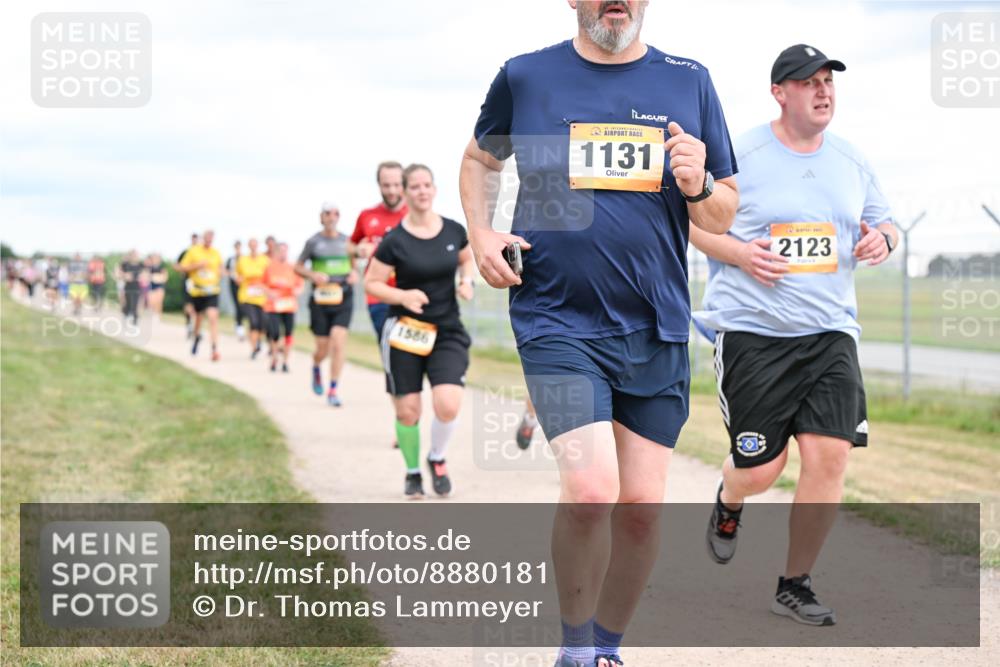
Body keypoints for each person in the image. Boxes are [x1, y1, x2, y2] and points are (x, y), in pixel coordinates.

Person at [459, 2, 738, 664]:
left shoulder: (689, 80)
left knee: (642, 505)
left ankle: (608, 647)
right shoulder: (526, 76)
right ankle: (575, 647)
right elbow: (479, 160)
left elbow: (724, 212)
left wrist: (699, 185)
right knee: (591, 490)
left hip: (657, 323)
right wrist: (481, 231)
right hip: (556, 315)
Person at [692, 44, 897, 628]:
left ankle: (795, 583)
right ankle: (730, 500)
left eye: (829, 80)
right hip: (755, 333)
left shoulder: (852, 161)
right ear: (780, 92)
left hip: (830, 332)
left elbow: (884, 221)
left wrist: (884, 238)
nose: (823, 90)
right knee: (762, 470)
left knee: (830, 456)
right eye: (808, 82)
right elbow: (696, 225)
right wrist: (741, 253)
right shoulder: (742, 154)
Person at [366, 164, 476, 499]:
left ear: (434, 189)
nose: (422, 191)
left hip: (446, 330)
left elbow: (466, 258)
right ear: (404, 191)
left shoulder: (454, 230)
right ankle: (413, 472)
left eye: (427, 185)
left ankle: (437, 458)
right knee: (408, 410)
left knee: (448, 404)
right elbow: (371, 282)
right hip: (405, 332)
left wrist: (466, 280)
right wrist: (402, 296)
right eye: (414, 186)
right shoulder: (393, 241)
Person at [295, 202, 359, 406]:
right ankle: (316, 365)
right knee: (323, 348)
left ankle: (333, 389)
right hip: (321, 298)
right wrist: (312, 274)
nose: (332, 217)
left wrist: (353, 274)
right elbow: (297, 267)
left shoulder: (347, 241)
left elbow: (354, 266)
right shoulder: (313, 242)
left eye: (336, 213)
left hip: (343, 296)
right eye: (328, 214)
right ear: (321, 217)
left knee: (338, 342)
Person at [351, 161, 409, 339]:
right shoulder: (367, 215)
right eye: (386, 185)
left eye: (396, 185)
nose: (392, 191)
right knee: (390, 348)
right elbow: (350, 245)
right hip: (378, 296)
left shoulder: (416, 215)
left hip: (410, 293)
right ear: (379, 185)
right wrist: (358, 252)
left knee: (412, 354)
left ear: (404, 184)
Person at [180, 230, 225, 361]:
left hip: (212, 291)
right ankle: (196, 338)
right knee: (199, 319)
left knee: (213, 318)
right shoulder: (193, 251)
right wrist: (197, 265)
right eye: (207, 238)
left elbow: (221, 268)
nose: (209, 240)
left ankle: (214, 348)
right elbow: (182, 267)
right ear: (203, 238)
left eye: (211, 238)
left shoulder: (216, 253)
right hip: (197, 291)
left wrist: (221, 272)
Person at [263, 242, 304, 373]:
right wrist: (269, 292)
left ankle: (286, 362)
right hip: (273, 306)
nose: (283, 253)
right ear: (276, 252)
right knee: (274, 333)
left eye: (285, 251)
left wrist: (298, 290)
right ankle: (274, 358)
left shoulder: (293, 267)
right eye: (280, 251)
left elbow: (300, 284)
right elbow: (261, 284)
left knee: (288, 334)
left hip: (289, 305)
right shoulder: (269, 267)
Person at [235, 238, 271, 359]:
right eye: (251, 245)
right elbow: (237, 275)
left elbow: (269, 277)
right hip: (247, 296)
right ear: (249, 246)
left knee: (263, 323)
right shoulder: (242, 260)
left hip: (262, 297)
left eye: (255, 245)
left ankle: (258, 340)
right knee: (253, 322)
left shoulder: (265, 260)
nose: (253, 247)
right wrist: (239, 279)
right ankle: (254, 348)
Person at [175, 233, 200, 339]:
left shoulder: (202, 253)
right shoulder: (186, 252)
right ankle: (189, 323)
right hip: (188, 281)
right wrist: (184, 269)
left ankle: (196, 327)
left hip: (200, 283)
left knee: (198, 306)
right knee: (188, 304)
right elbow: (177, 265)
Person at [225, 240, 246, 340]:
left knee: (243, 305)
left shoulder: (245, 258)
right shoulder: (231, 259)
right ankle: (239, 326)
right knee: (237, 305)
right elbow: (226, 270)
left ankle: (240, 324)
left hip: (244, 285)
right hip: (234, 284)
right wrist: (233, 276)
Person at [117, 250, 144, 325]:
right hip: (128, 286)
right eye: (133, 255)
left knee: (135, 303)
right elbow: (118, 273)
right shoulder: (125, 264)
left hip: (137, 286)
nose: (135, 256)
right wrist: (125, 275)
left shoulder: (141, 265)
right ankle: (126, 315)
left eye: (136, 255)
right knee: (128, 302)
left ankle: (135, 320)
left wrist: (140, 277)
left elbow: (145, 273)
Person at [145, 253, 168, 319]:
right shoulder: (149, 267)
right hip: (152, 286)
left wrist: (156, 278)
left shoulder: (162, 267)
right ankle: (152, 315)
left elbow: (164, 277)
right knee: (151, 301)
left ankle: (158, 316)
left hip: (160, 286)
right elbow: (146, 276)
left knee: (159, 302)